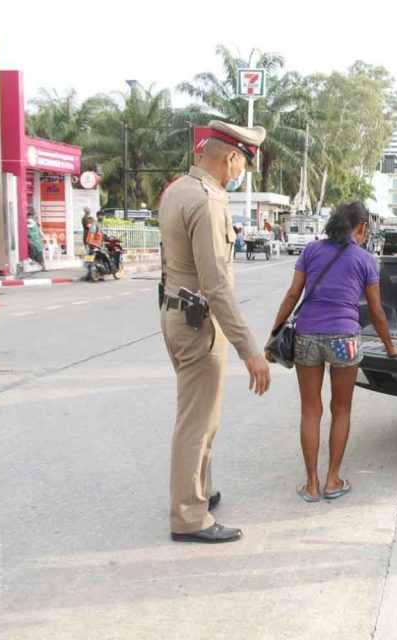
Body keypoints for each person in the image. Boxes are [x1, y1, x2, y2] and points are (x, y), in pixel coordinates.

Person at [158, 120, 272, 544]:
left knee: (197, 413)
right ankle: (189, 516)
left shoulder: (177, 189)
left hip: (175, 315)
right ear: (230, 158)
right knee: (198, 421)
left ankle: (198, 492)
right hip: (199, 323)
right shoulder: (207, 203)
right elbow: (216, 285)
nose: (239, 171)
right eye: (241, 163)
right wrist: (250, 350)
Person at [267, 202, 397, 503]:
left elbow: (293, 294)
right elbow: (376, 310)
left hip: (307, 335)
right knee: (341, 409)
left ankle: (311, 484)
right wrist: (390, 347)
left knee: (310, 410)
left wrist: (273, 336)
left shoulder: (311, 250)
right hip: (345, 338)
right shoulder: (365, 259)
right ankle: (333, 480)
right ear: (360, 228)